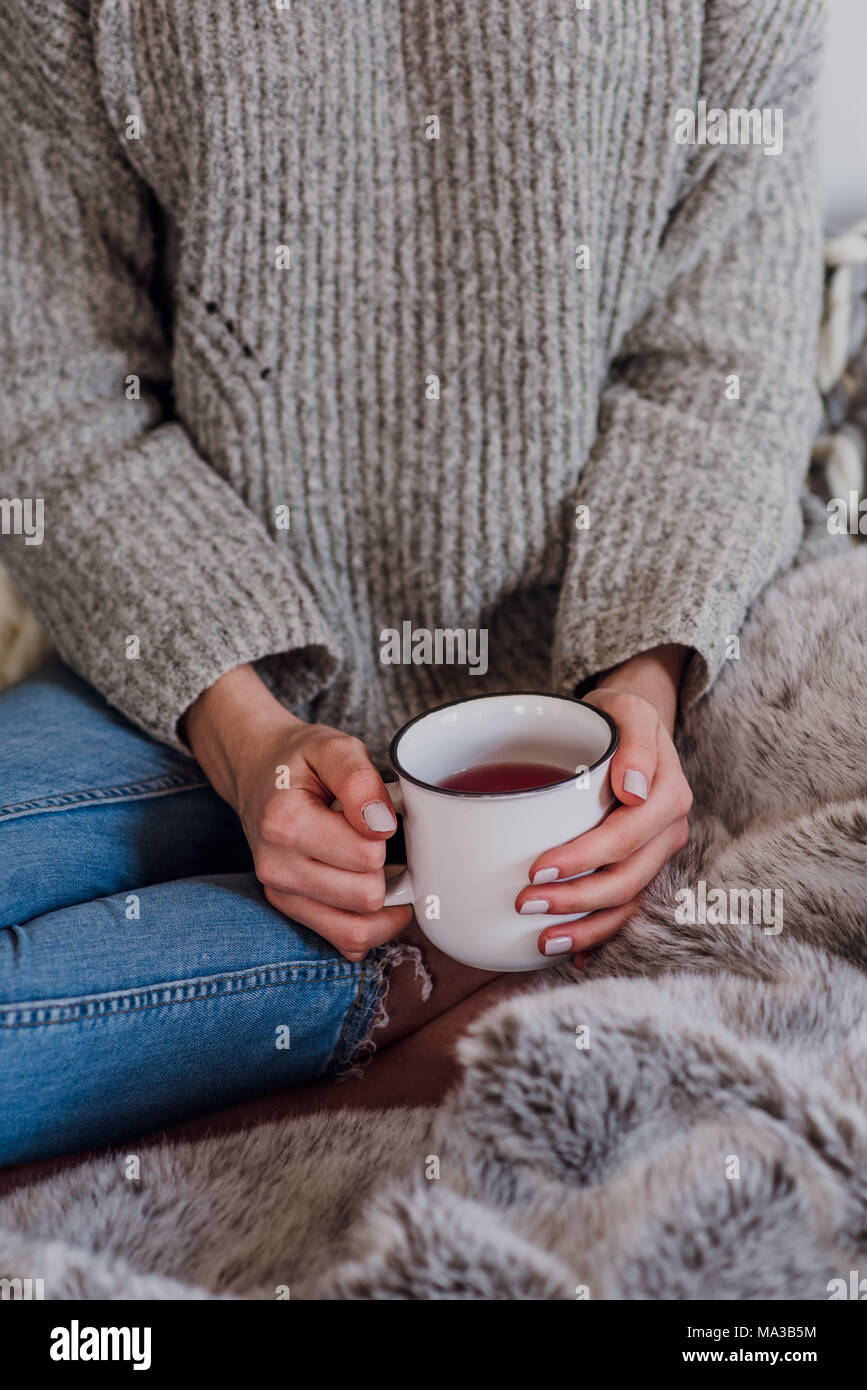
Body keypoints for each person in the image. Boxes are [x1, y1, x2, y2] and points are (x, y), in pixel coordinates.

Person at [0, 0, 824, 1164]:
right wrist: (245, 738)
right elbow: (54, 391)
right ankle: (427, 993)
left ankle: (422, 972)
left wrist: (639, 694)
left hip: (561, 726)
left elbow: (721, 368)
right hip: (184, 679)